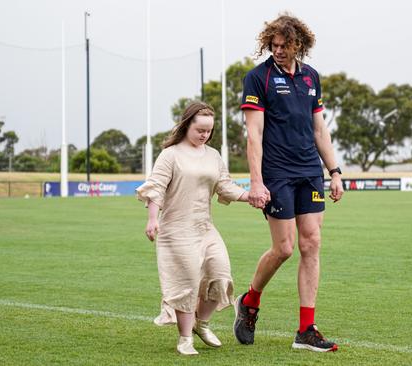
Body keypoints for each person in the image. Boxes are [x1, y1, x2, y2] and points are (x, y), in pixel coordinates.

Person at [234, 14, 344, 352]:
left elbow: (318, 129)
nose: (279, 51)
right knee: (284, 248)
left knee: (311, 243)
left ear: (300, 45)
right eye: (274, 45)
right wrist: (255, 182)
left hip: (309, 170)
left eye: (285, 45)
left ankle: (306, 330)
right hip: (276, 173)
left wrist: (335, 171)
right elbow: (254, 134)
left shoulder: (312, 78)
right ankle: (250, 301)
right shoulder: (258, 78)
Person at [136, 101, 249, 356]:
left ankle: (202, 323)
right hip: (177, 230)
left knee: (220, 273)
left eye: (209, 131)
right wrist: (152, 219)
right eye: (200, 130)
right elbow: (156, 188)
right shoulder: (171, 154)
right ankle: (185, 338)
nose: (204, 135)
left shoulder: (213, 155)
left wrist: (248, 196)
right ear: (187, 125)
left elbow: (225, 185)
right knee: (187, 283)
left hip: (205, 227)